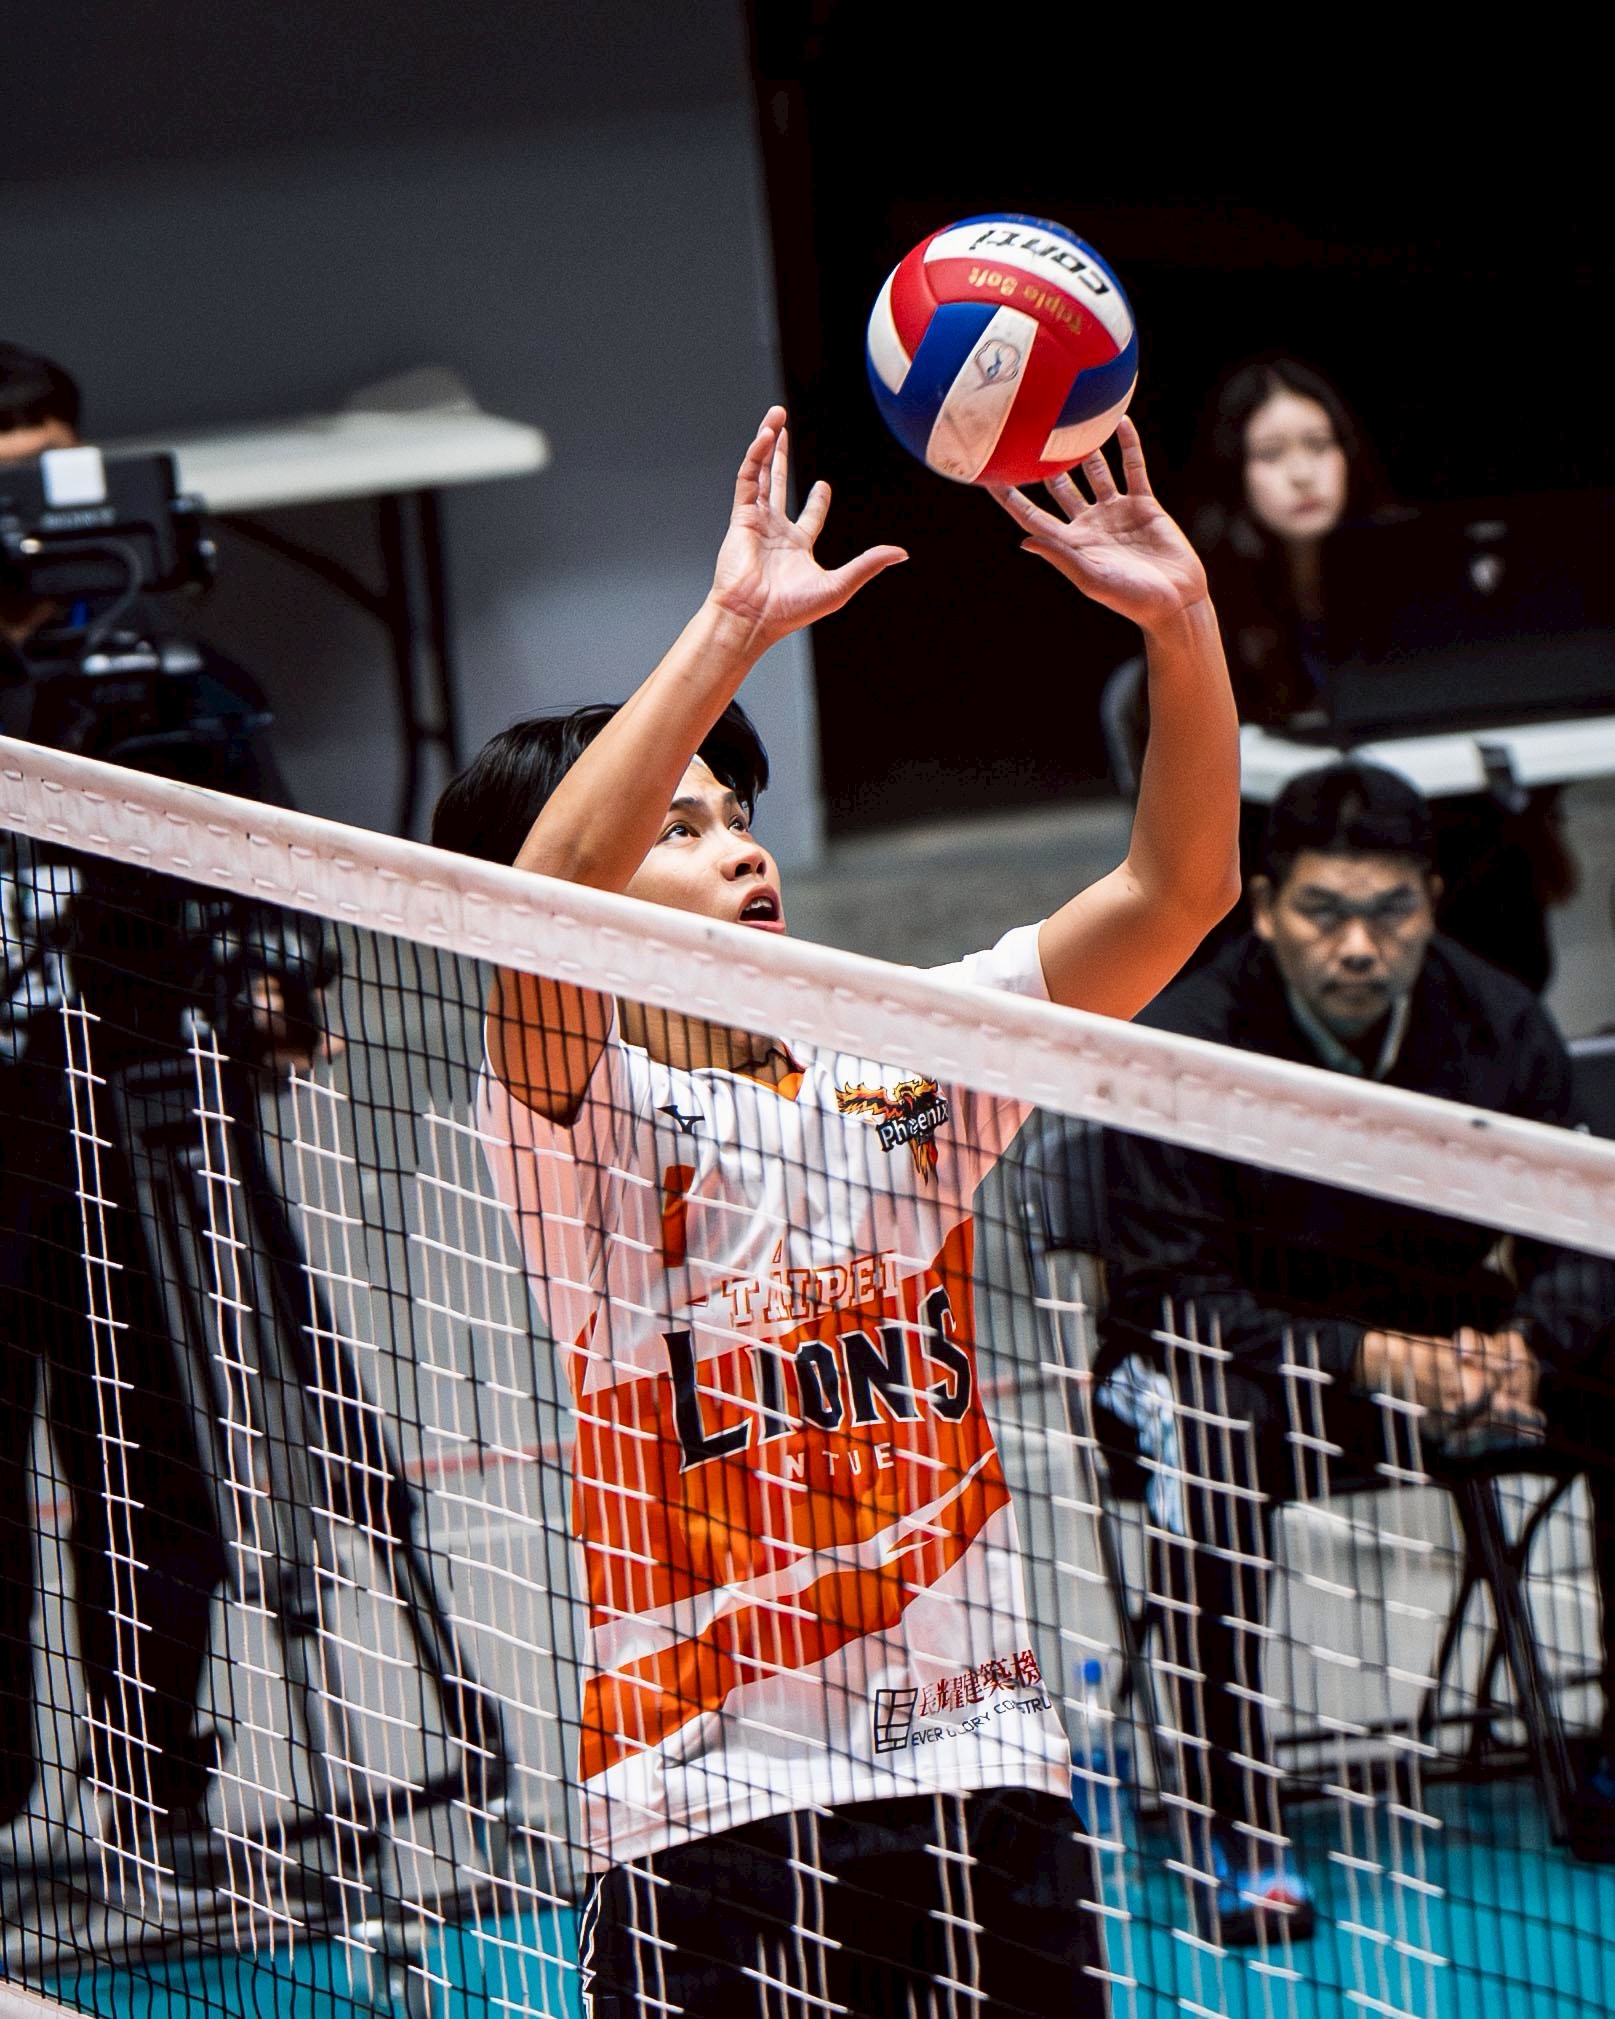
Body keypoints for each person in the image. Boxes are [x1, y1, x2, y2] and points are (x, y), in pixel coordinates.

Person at [431, 405, 1240, 2017]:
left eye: (738, 818)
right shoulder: (572, 1124)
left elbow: (1178, 891)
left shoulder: (900, 1055)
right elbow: (540, 914)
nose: (739, 851)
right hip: (706, 1803)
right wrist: (731, 627)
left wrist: (1181, 622)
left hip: (974, 1760)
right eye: (679, 827)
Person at [1095, 760, 1615, 1946]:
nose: (1359, 946)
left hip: (1441, 1367)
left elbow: (1585, 1236)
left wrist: (1527, 1348)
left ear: (1429, 902)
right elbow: (1174, 1299)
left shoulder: (1496, 1025)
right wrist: (1373, 1357)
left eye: (1389, 912)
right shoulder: (1185, 1047)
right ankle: (1233, 1820)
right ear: (1266, 907)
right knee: (1209, 1427)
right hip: (1211, 1370)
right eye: (1325, 913)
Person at [0, 342, 337, 1887]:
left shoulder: (171, 687)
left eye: (52, 475)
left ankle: (156, 1791)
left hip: (141, 1124)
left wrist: (277, 977)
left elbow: (280, 884)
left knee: (156, 1473)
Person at [1186, 352, 1574, 992]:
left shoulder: (1422, 581)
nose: (1303, 473)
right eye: (1272, 455)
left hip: (1433, 854)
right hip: (1276, 867)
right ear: (1235, 475)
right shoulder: (1208, 605)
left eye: (1320, 446)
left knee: (1491, 860)